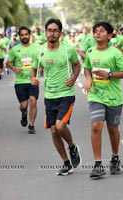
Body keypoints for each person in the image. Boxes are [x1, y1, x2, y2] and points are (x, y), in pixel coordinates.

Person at [31, 18, 81, 176]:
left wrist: (73, 78)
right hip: (49, 95)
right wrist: (33, 78)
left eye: (55, 30)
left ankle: (72, 147)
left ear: (60, 33)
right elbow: (33, 69)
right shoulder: (39, 51)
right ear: (45, 32)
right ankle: (66, 163)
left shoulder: (68, 49)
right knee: (53, 131)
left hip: (66, 94)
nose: (52, 33)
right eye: (49, 30)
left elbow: (77, 65)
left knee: (60, 126)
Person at [83, 21, 123, 179]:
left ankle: (115, 159)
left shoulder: (115, 53)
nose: (97, 33)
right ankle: (98, 165)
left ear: (109, 35)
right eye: (96, 31)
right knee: (96, 126)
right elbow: (87, 67)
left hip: (114, 98)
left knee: (113, 129)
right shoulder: (90, 51)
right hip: (96, 95)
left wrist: (109, 74)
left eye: (101, 31)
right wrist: (89, 79)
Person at [6, 26, 40, 134]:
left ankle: (31, 124)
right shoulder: (15, 49)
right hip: (20, 81)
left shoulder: (36, 48)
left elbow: (41, 61)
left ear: (30, 35)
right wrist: (14, 68)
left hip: (33, 80)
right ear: (20, 36)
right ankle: (24, 113)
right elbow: (8, 62)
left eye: (26, 34)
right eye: (22, 35)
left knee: (33, 101)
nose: (24, 36)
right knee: (24, 105)